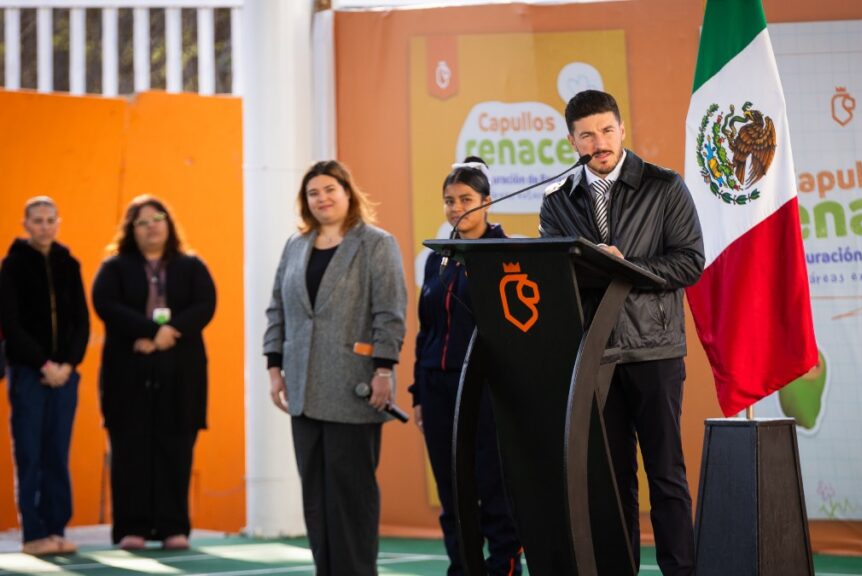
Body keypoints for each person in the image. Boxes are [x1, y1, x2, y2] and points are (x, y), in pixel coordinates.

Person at [539, 90, 705, 576]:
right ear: (572, 141)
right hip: (596, 355)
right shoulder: (558, 201)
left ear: (622, 129)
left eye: (607, 130)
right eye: (587, 134)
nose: (599, 142)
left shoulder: (664, 186)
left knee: (666, 475)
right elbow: (556, 276)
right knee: (613, 482)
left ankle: (681, 571)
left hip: (654, 349)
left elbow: (690, 262)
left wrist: (624, 266)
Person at [263, 160, 407, 576]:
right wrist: (275, 368)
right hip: (302, 390)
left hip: (355, 386)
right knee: (316, 497)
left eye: (330, 189)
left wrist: (384, 370)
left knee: (351, 495)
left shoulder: (376, 243)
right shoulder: (296, 245)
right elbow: (278, 309)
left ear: (348, 193)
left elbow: (390, 312)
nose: (322, 198)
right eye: (313, 193)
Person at [409, 158, 522, 576]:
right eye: (449, 201)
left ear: (488, 201)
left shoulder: (506, 254)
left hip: (485, 391)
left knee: (493, 488)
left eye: (466, 200)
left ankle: (504, 568)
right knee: (453, 492)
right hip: (437, 389)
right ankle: (462, 568)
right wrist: (418, 393)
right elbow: (426, 329)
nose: (457, 208)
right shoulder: (436, 258)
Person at [92, 196, 216, 550]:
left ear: (169, 223)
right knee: (130, 450)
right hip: (127, 374)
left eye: (157, 218)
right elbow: (105, 304)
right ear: (132, 230)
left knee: (175, 448)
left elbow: (205, 304)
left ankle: (173, 527)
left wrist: (167, 333)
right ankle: (132, 527)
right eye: (142, 222)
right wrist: (148, 332)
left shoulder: (191, 266)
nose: (151, 226)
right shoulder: (114, 267)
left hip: (180, 375)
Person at [0, 197, 89, 556]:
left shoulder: (70, 264)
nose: (45, 226)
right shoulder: (12, 266)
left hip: (65, 377)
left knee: (57, 453)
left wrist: (67, 364)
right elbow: (10, 323)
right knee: (30, 454)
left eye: (51, 219)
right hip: (28, 375)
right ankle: (34, 533)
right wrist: (43, 365)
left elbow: (81, 323)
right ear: (25, 224)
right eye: (37, 220)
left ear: (58, 222)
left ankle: (56, 528)